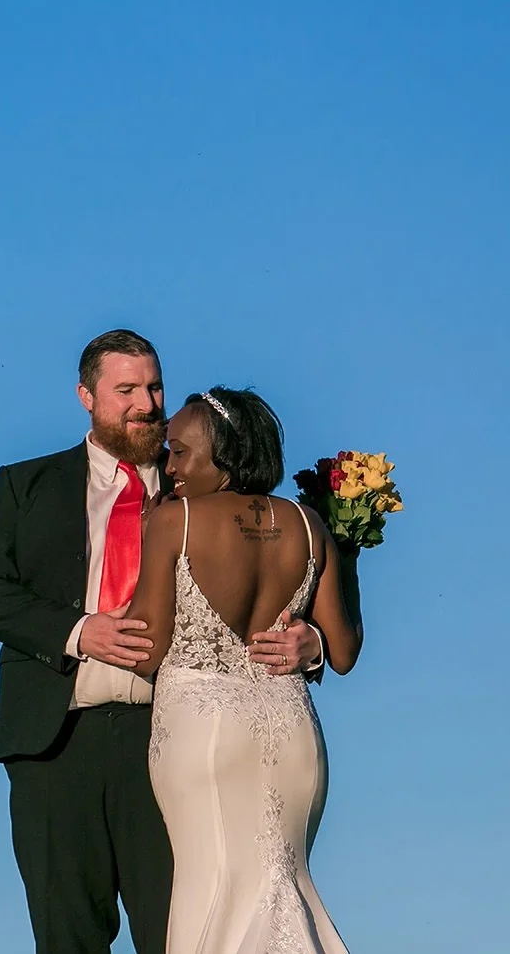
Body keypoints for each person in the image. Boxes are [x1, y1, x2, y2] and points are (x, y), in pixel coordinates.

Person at [0, 331, 326, 954]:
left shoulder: (202, 485)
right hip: (56, 743)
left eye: (153, 387)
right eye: (125, 389)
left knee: (182, 934)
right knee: (67, 938)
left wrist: (310, 641)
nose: (146, 403)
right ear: (86, 396)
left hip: (175, 743)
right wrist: (81, 630)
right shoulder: (26, 484)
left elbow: (297, 575)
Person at [125, 387, 363, 953]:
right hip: (291, 732)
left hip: (203, 734)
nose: (169, 466)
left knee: (211, 888)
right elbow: (345, 650)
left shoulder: (174, 520)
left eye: (180, 453)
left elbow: (149, 644)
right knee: (283, 882)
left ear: (225, 458)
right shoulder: (307, 526)